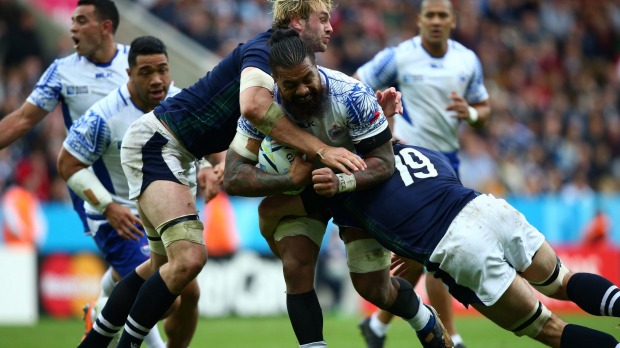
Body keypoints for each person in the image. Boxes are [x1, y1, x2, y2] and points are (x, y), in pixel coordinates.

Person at [78, 1, 371, 347]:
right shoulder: (266, 50)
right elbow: (254, 107)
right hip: (158, 145)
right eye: (322, 19)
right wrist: (321, 150)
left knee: (159, 268)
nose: (330, 27)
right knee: (189, 259)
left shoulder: (289, 67)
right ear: (296, 21)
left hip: (179, 153)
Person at [224, 29, 450, 348]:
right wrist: (290, 179)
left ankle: (423, 319)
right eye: (290, 84)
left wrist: (341, 181)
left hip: (354, 191)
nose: (302, 90)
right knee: (295, 266)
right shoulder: (261, 110)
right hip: (304, 194)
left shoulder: (351, 94)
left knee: (373, 289)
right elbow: (232, 177)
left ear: (316, 66)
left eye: (307, 79)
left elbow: (384, 163)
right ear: (275, 81)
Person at [309, 143, 620, 348]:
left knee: (547, 327)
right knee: (561, 281)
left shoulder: (347, 187)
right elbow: (419, 198)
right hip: (489, 209)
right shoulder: (418, 151)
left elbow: (386, 232)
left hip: (458, 246)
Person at [353, 0, 491, 346]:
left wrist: (471, 114)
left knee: (421, 251)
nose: (435, 20)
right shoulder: (397, 56)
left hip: (448, 162)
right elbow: (355, 85)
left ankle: (378, 325)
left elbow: (484, 107)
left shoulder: (467, 61)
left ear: (452, 21)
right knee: (439, 249)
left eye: (442, 15)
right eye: (429, 14)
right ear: (419, 20)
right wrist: (380, 125)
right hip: (412, 162)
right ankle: (452, 337)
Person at [57, 35, 208, 348]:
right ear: (129, 74)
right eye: (145, 72)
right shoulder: (105, 115)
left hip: (167, 210)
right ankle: (103, 312)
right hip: (121, 216)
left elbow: (212, 148)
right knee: (168, 299)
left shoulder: (181, 102)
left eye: (162, 70)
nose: (156, 80)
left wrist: (210, 169)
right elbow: (67, 163)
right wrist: (110, 207)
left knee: (190, 293)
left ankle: (111, 296)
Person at [0, 0, 129, 234]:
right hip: (93, 187)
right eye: (72, 21)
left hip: (139, 182)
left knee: (163, 264)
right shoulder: (62, 71)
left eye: (81, 21)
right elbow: (22, 119)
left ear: (105, 27)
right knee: (158, 262)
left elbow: (171, 111)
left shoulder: (136, 63)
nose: (72, 28)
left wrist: (208, 159)